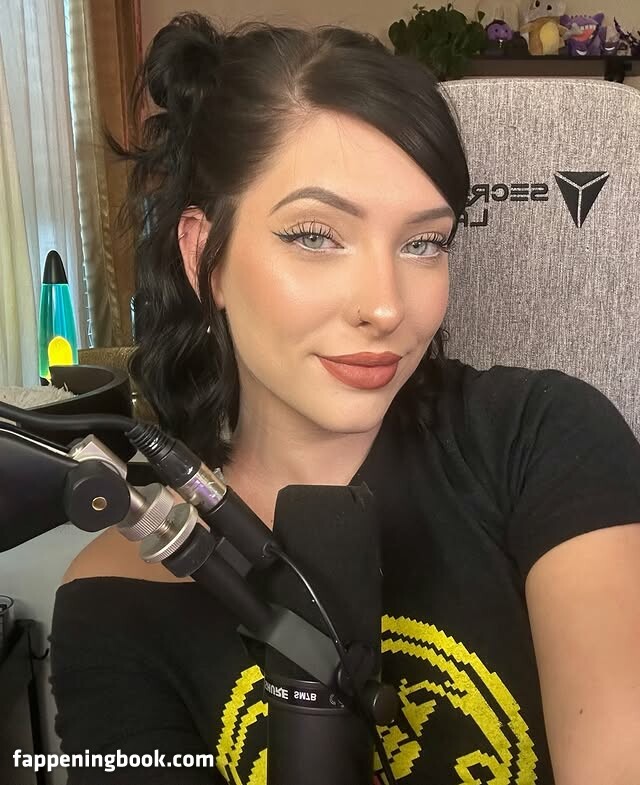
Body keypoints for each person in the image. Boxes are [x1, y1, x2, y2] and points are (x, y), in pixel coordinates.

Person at [49, 11, 640, 785]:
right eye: (314, 235)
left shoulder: (544, 440)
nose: (386, 306)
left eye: (424, 242)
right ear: (205, 258)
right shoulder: (117, 591)